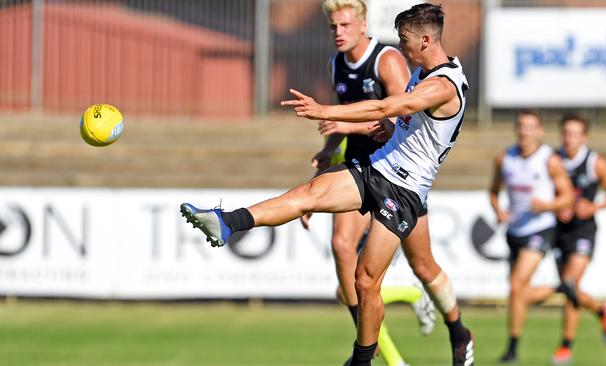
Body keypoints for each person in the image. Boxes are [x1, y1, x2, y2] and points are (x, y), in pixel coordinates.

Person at [180, 4, 474, 366]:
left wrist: (325, 112)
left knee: (365, 281)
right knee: (308, 194)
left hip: (404, 192)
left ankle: (365, 359)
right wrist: (388, 131)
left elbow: (387, 106)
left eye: (405, 40)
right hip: (375, 167)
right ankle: (227, 222)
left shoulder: (444, 85)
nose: (400, 46)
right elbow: (399, 119)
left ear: (426, 40)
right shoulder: (420, 69)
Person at [300, 2, 436, 365]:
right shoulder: (336, 64)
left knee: (416, 268)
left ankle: (406, 306)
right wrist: (328, 152)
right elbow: (340, 127)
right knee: (344, 253)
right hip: (357, 167)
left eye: (345, 24)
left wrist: (345, 125)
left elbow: (402, 119)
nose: (338, 32)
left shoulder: (387, 60)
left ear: (363, 23)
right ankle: (378, 352)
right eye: (333, 26)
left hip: (396, 172)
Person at [488, 109, 575, 364]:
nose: (525, 131)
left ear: (539, 131)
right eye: (521, 126)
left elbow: (568, 195)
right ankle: (514, 344)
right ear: (516, 129)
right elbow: (493, 191)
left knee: (516, 286)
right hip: (514, 231)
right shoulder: (505, 158)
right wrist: (498, 210)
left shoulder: (549, 159)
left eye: (530, 127)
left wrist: (547, 206)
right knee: (517, 291)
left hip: (540, 228)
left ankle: (512, 350)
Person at [548, 113, 606, 365]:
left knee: (569, 285)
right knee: (570, 289)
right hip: (559, 231)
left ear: (584, 138)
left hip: (583, 231)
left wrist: (594, 207)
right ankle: (602, 310)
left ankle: (565, 347)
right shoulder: (553, 160)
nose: (569, 139)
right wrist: (556, 206)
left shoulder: (594, 162)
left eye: (575, 134)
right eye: (566, 133)